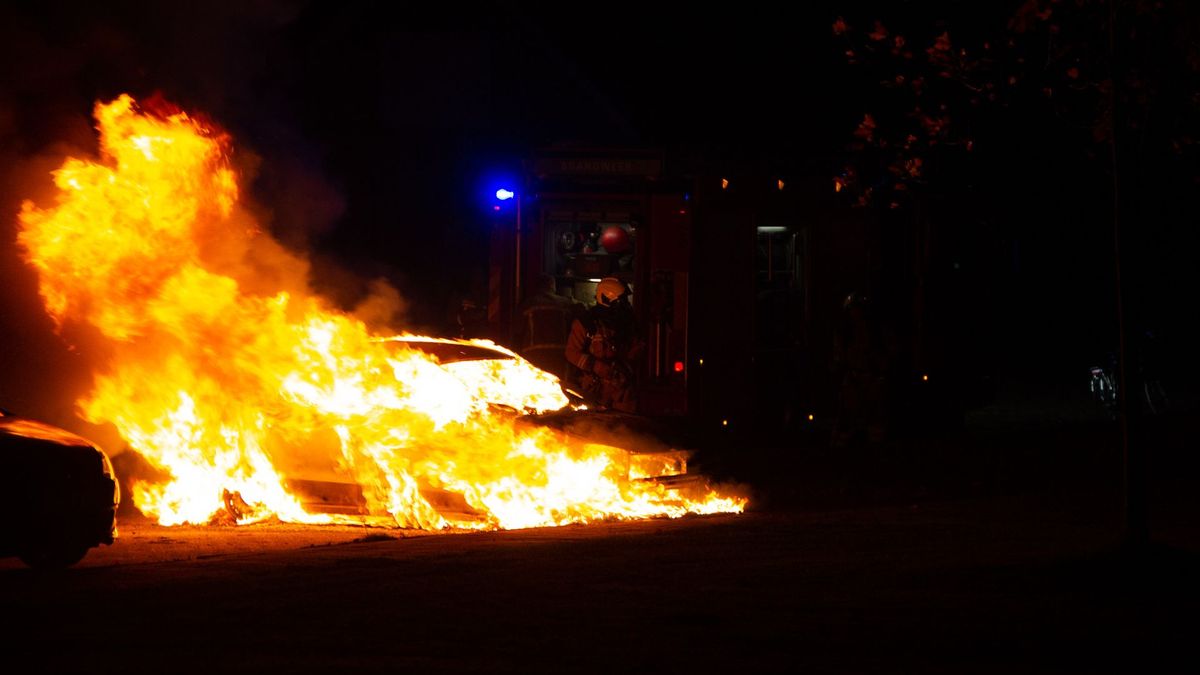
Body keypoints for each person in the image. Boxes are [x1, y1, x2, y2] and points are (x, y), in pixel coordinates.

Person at [564, 277, 643, 412]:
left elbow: (635, 351)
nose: (625, 305)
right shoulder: (586, 323)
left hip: (622, 392)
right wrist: (596, 366)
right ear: (606, 299)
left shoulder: (627, 324)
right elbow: (571, 353)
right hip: (594, 393)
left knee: (624, 428)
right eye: (620, 301)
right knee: (594, 427)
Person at [829, 292, 893, 447]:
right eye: (852, 310)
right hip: (852, 378)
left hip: (871, 379)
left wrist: (878, 373)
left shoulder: (875, 333)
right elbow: (839, 358)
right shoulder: (845, 335)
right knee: (847, 415)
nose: (855, 314)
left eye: (858, 310)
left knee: (874, 415)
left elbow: (885, 356)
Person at [514, 274, 580, 378]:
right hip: (559, 358)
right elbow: (582, 310)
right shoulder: (565, 303)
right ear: (553, 286)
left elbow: (517, 333)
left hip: (533, 357)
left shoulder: (527, 304)